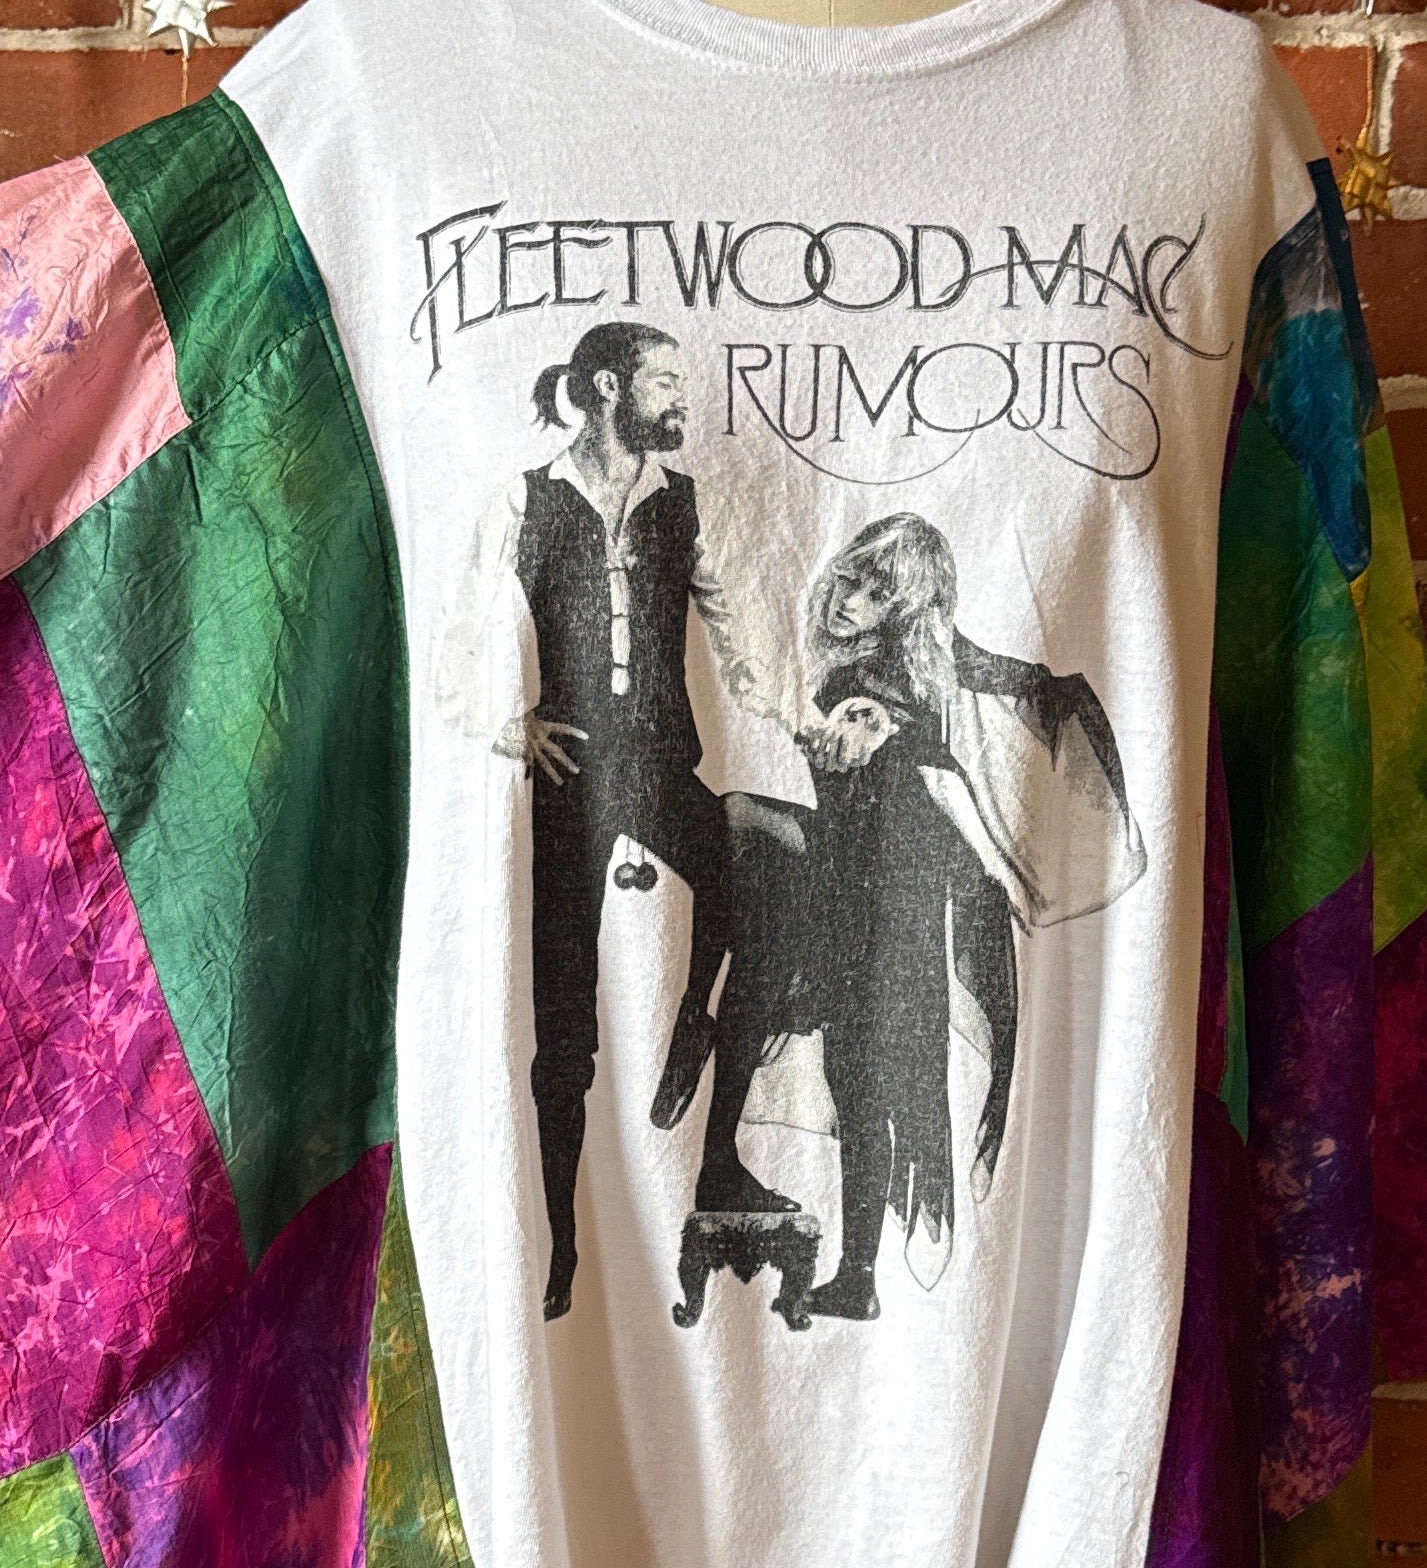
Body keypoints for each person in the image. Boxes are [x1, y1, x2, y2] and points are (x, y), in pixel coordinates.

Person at [664, 513, 1145, 1321]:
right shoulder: (876, 666)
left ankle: (855, 1271)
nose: (849, 597)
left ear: (907, 608)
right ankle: (708, 1067)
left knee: (861, 1081)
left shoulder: (883, 685)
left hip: (891, 913)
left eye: (876, 592)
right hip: (844, 891)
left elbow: (877, 722)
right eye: (852, 576)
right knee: (757, 893)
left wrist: (860, 726)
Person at [438, 321, 773, 1317]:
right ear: (606, 390)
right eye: (664, 381)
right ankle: (564, 1248)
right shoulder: (527, 499)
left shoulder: (684, 504)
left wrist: (792, 714)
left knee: (754, 882)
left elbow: (743, 637)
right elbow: (458, 634)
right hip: (574, 779)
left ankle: (694, 1026)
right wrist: (504, 724)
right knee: (563, 1024)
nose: (681, 399)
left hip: (663, 768)